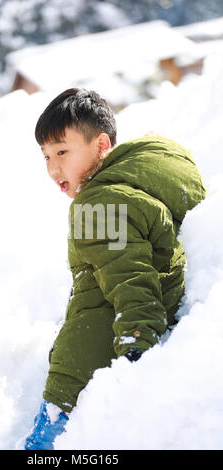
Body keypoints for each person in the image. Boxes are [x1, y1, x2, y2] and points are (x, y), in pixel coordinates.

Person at [23, 88, 206, 450]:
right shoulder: (139, 183)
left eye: (62, 151)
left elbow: (131, 281)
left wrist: (135, 349)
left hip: (83, 372)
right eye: (45, 156)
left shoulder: (99, 204)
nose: (53, 168)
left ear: (101, 144)